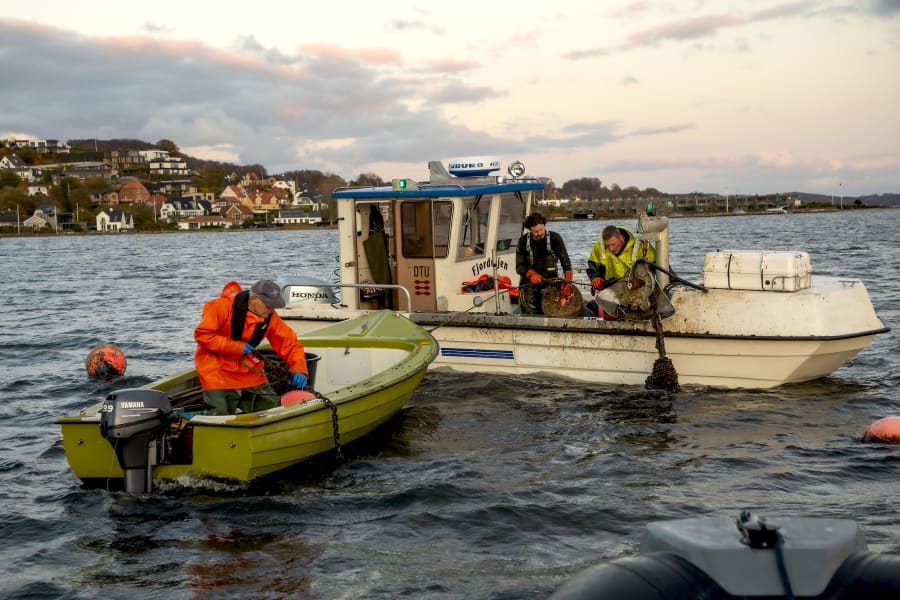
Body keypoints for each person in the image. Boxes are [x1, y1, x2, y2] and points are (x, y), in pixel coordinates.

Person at [194, 279, 309, 415]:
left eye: (274, 306)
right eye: (268, 305)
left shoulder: (270, 317)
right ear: (254, 299)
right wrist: (235, 347)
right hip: (217, 371)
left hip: (249, 371)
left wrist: (299, 369)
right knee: (219, 414)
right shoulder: (220, 307)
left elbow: (289, 344)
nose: (271, 309)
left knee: (273, 409)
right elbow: (202, 335)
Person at [584, 224, 656, 317]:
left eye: (613, 244)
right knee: (590, 306)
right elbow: (593, 265)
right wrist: (595, 277)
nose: (611, 249)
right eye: (607, 245)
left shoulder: (641, 247)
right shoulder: (599, 247)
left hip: (638, 294)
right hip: (612, 292)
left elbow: (657, 269)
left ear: (621, 238)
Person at [515, 212, 573, 315]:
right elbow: (519, 267)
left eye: (541, 230)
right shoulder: (523, 241)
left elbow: (566, 264)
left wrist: (568, 283)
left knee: (553, 313)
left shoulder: (555, 238)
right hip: (529, 287)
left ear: (544, 225)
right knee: (531, 316)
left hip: (551, 285)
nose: (539, 233)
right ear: (530, 230)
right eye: (535, 232)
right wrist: (531, 274)